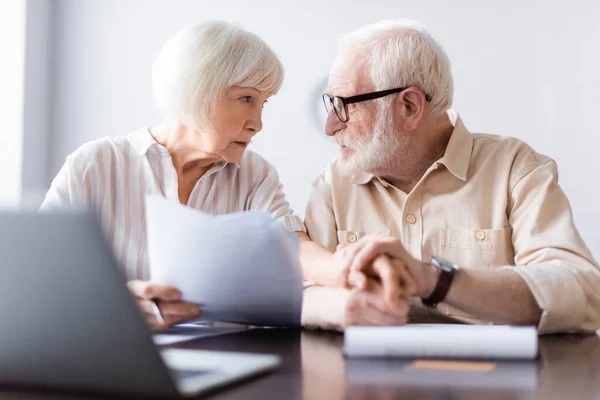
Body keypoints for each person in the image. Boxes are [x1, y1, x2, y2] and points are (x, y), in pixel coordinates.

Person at [300, 19, 600, 334]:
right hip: (364, 380)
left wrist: (434, 278)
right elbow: (295, 291)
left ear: (410, 106)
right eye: (331, 103)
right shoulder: (334, 184)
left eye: (345, 105)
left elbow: (585, 295)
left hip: (494, 380)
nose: (330, 125)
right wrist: (334, 305)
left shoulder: (515, 170)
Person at [41, 21, 307, 331]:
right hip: (113, 360)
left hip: (230, 363)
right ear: (198, 90)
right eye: (246, 98)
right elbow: (40, 284)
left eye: (264, 104)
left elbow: (294, 249)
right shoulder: (93, 166)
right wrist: (113, 307)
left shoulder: (256, 175)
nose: (257, 123)